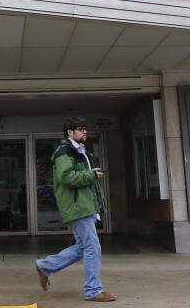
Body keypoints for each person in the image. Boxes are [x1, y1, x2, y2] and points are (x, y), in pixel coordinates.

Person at [35, 117, 115, 302]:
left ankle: (45, 266)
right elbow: (66, 177)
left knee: (83, 247)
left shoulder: (81, 152)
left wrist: (92, 176)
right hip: (77, 205)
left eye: (85, 129)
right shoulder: (64, 151)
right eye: (80, 129)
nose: (85, 132)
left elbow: (82, 177)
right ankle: (93, 290)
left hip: (84, 204)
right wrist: (91, 175)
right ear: (70, 133)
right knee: (92, 247)